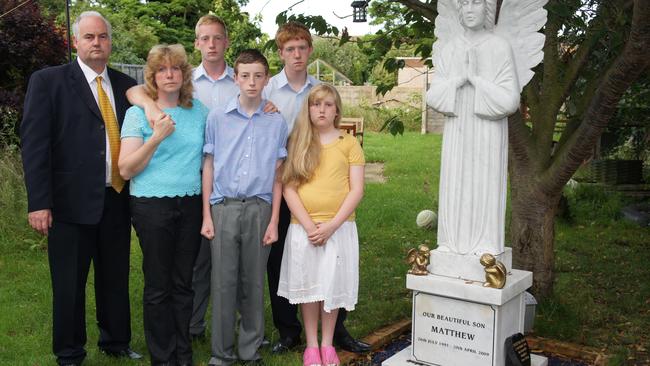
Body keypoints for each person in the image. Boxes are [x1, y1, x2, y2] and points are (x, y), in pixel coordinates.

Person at [126, 16, 274, 341]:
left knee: (237, 268)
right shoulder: (185, 76)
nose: (211, 44)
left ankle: (245, 331)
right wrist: (150, 109)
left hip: (236, 187)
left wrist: (266, 107)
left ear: (226, 41)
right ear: (197, 43)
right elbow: (137, 88)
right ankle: (192, 329)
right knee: (198, 266)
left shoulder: (241, 77)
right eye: (205, 38)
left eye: (217, 38)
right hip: (198, 184)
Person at [20, 11, 142, 365]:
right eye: (89, 37)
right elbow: (35, 145)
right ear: (75, 42)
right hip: (68, 204)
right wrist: (38, 202)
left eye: (102, 37)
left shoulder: (124, 85)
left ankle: (116, 342)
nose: (97, 43)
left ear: (109, 41)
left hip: (116, 198)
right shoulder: (49, 82)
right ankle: (70, 352)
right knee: (70, 284)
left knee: (115, 278)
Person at [265, 21, 370, 354]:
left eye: (302, 47)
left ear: (309, 50)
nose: (297, 54)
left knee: (331, 270)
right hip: (286, 187)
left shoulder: (319, 90)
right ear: (281, 52)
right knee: (287, 263)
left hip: (330, 204)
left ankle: (334, 334)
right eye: (290, 48)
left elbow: (353, 181)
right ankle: (288, 331)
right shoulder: (268, 89)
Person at [118, 44, 208, 366]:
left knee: (183, 284)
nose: (169, 74)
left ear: (184, 75)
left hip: (190, 204)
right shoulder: (137, 113)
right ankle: (163, 358)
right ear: (153, 77)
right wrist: (156, 137)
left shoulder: (199, 112)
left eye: (175, 69)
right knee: (158, 285)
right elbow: (126, 169)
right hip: (151, 206)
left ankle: (183, 356)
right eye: (162, 70)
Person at [200, 49, 287, 366]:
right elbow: (208, 165)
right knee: (223, 282)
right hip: (224, 208)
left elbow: (279, 175)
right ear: (235, 78)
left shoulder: (276, 121)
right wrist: (207, 215)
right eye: (245, 75)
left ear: (266, 79)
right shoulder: (217, 118)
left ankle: (250, 351)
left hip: (260, 209)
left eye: (258, 75)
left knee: (253, 282)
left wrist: (275, 219)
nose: (252, 82)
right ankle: (221, 354)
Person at [278, 83, 365, 366]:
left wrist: (331, 226)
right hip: (304, 229)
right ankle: (311, 346)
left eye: (328, 104)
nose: (322, 109)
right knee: (310, 286)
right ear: (309, 109)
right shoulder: (299, 142)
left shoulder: (348, 143)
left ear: (337, 110)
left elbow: (356, 190)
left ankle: (328, 344)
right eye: (316, 104)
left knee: (331, 286)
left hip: (339, 228)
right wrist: (308, 224)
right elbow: (288, 187)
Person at [426, 0, 519, 256]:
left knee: (484, 181)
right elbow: (433, 96)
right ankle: (450, 242)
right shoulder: (449, 49)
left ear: (487, 9)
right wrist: (458, 81)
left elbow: (510, 100)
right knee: (455, 181)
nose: (469, 9)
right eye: (464, 3)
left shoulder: (499, 47)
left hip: (487, 130)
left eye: (476, 3)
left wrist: (477, 80)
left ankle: (486, 244)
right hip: (457, 129)